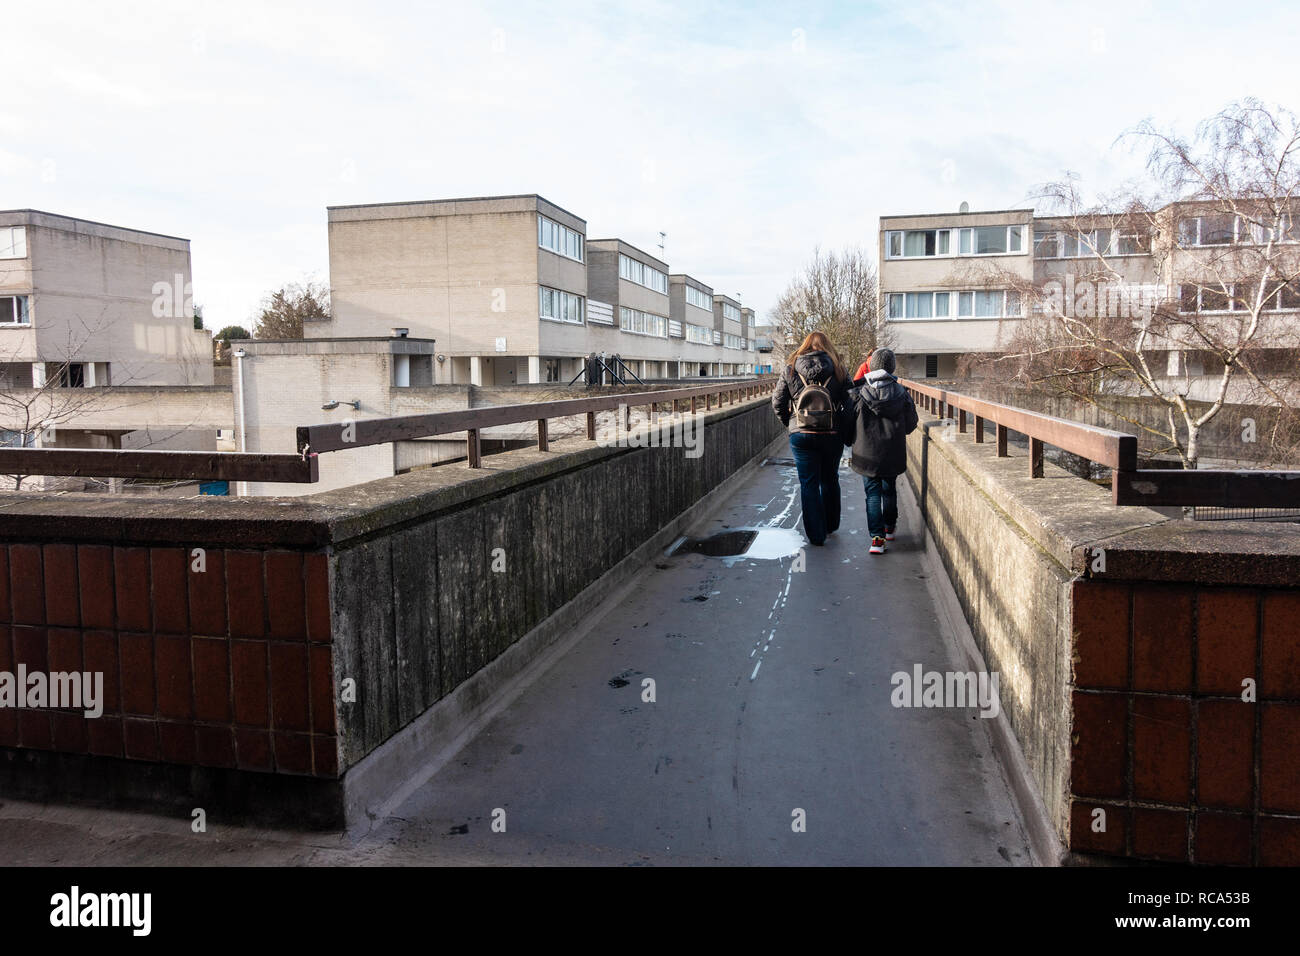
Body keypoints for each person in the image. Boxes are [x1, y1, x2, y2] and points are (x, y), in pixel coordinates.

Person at [770, 332, 851, 546]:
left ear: (805, 347)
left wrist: (791, 423)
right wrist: (843, 428)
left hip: (801, 435)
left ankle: (816, 535)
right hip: (831, 434)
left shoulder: (790, 369)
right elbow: (851, 404)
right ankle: (831, 524)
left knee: (808, 483)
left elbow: (777, 402)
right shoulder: (839, 369)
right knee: (830, 478)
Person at [847, 347, 918, 555]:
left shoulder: (858, 393)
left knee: (872, 493)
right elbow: (911, 424)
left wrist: (849, 441)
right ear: (891, 367)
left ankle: (876, 539)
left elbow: (848, 423)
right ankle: (889, 527)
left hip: (866, 452)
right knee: (889, 489)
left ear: (872, 366)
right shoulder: (901, 393)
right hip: (892, 452)